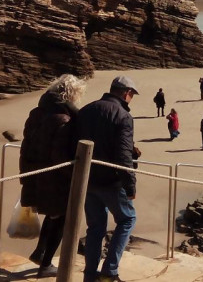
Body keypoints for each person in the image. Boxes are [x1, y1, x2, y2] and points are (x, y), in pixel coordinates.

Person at [20, 74, 86, 277]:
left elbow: (25, 146)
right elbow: (59, 156)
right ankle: (46, 263)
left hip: (35, 174)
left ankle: (40, 252)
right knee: (62, 216)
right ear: (72, 94)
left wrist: (25, 175)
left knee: (52, 214)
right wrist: (76, 176)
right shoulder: (64, 119)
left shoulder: (36, 113)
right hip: (54, 179)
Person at [76, 76, 140, 282]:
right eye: (132, 95)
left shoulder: (87, 110)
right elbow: (122, 157)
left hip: (86, 178)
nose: (131, 98)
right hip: (111, 181)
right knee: (127, 219)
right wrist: (130, 186)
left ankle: (89, 275)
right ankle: (109, 272)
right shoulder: (123, 116)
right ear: (125, 93)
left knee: (95, 228)